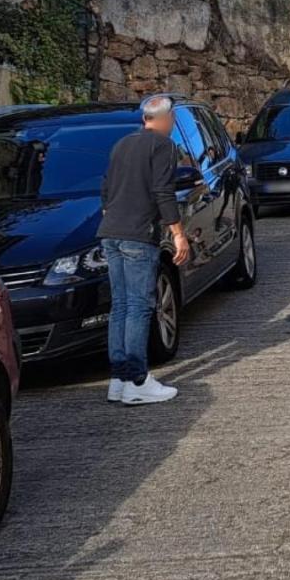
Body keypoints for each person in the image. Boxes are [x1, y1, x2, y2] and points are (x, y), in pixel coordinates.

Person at [98, 94, 191, 405]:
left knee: (120, 306)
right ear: (165, 120)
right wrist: (178, 233)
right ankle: (138, 380)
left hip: (111, 233)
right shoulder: (163, 146)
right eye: (173, 120)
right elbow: (163, 191)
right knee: (139, 306)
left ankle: (119, 378)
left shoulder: (121, 144)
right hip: (139, 234)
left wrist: (110, 213)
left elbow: (106, 188)